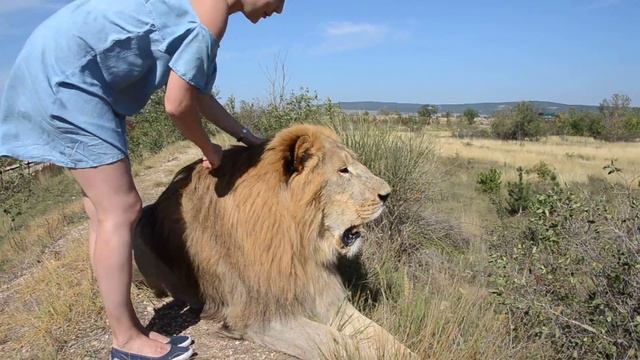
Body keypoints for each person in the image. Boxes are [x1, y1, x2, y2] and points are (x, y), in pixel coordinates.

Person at [0, 0, 285, 358]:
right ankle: (127, 341)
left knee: (102, 211)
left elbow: (199, 95)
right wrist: (208, 149)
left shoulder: (202, 7)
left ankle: (123, 324)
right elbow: (177, 104)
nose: (281, 9)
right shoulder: (209, 16)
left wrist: (246, 136)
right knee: (121, 209)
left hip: (63, 65)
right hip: (69, 78)